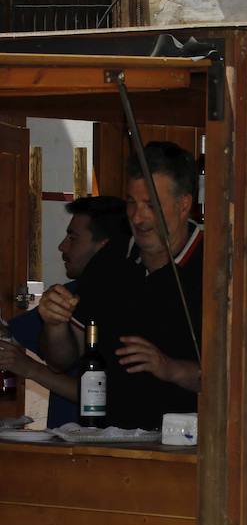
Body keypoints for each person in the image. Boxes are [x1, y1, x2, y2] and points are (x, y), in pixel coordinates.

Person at [37, 143, 203, 430]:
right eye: (131, 203)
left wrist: (170, 368)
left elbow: (240, 378)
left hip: (187, 449)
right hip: (107, 446)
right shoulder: (111, 260)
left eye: (151, 205)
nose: (138, 218)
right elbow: (62, 359)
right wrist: (54, 324)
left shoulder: (217, 266)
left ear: (184, 204)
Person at [3, 196, 129, 426]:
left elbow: (112, 396)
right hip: (66, 439)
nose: (62, 246)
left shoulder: (127, 299)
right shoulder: (67, 294)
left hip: (103, 443)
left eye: (73, 238)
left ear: (104, 245)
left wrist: (30, 368)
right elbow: (10, 332)